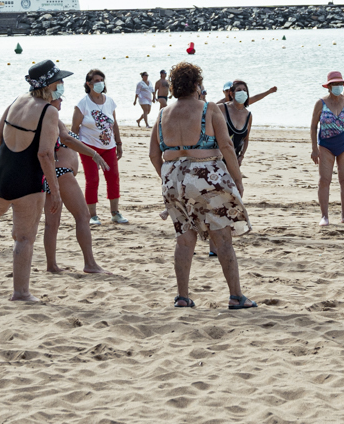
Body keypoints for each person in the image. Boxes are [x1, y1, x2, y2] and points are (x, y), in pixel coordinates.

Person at [148, 61, 255, 310]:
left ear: (174, 87)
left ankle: (182, 297)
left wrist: (167, 178)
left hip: (173, 176)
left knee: (184, 239)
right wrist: (237, 179)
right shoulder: (209, 109)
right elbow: (227, 146)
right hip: (206, 174)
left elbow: (154, 154)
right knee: (222, 237)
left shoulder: (163, 113)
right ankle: (236, 296)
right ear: (197, 84)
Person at [0, 61, 65, 303]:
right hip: (26, 177)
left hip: (1, 168)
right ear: (49, 85)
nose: (62, 85)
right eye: (59, 82)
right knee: (24, 237)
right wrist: (56, 190)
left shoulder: (17, 99)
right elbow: (45, 154)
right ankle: (21, 293)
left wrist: (11, 161)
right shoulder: (49, 111)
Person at [43, 89, 111, 275]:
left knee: (52, 223)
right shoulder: (52, 117)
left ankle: (51, 265)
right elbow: (65, 140)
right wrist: (94, 154)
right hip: (62, 173)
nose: (61, 101)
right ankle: (90, 263)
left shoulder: (41, 118)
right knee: (83, 216)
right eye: (58, 98)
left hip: (49, 175)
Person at [72, 69, 129, 225]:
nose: (100, 83)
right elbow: (74, 129)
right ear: (88, 84)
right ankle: (92, 215)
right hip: (88, 147)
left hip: (109, 146)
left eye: (102, 80)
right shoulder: (82, 104)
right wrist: (76, 150)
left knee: (113, 178)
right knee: (92, 180)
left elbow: (114, 124)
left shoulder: (109, 101)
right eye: (96, 80)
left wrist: (119, 143)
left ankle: (115, 213)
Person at [311, 72, 344, 226]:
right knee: (324, 180)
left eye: (339, 84)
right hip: (326, 146)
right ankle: (324, 216)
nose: (337, 87)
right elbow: (313, 126)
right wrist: (314, 149)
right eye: (334, 84)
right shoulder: (320, 103)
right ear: (329, 86)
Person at [220, 80, 275, 163]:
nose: (242, 93)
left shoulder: (247, 114)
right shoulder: (220, 107)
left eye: (244, 90)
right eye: (238, 90)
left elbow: (246, 138)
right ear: (230, 92)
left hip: (234, 159)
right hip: (218, 158)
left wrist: (241, 156)